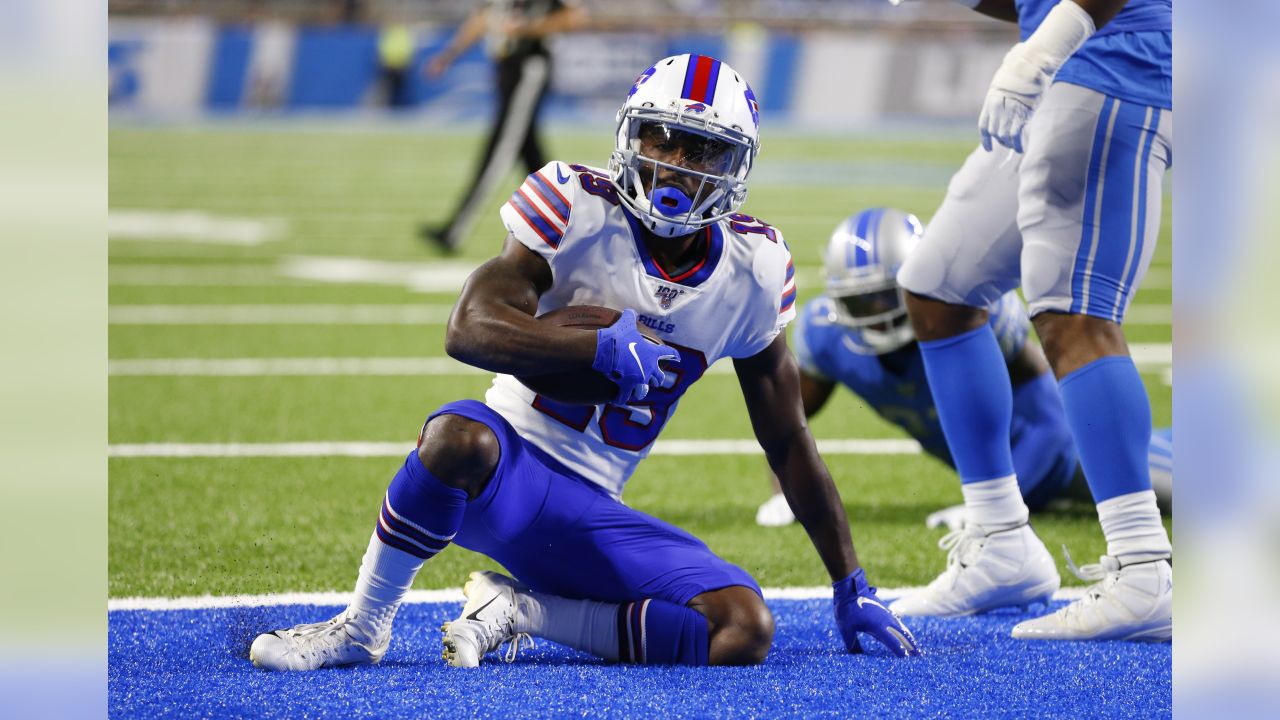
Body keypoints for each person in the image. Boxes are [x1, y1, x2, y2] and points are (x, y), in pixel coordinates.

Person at [250, 54, 918, 672]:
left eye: (700, 149)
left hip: (591, 510)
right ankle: (361, 626)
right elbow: (466, 329)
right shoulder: (575, 205)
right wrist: (591, 347)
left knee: (744, 627)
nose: (673, 163)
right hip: (500, 474)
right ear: (632, 136)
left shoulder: (755, 271)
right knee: (456, 434)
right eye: (658, 137)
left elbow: (788, 438)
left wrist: (849, 580)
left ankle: (517, 611)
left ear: (734, 165)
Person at [888, 0, 1173, 642]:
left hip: (1119, 62)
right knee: (938, 285)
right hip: (1073, 63)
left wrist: (1040, 50)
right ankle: (1001, 544)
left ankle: (1143, 570)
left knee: (1075, 311)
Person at [754, 207, 1174, 530]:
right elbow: (787, 425)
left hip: (1074, 456)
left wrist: (991, 504)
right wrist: (786, 492)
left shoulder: (968, 315)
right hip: (1007, 478)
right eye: (861, 302)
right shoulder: (827, 336)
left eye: (885, 298)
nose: (876, 316)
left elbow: (1055, 425)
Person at [421, 0, 587, 253]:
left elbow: (574, 17)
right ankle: (569, 223)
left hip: (529, 64)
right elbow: (482, 18)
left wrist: (527, 28)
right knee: (529, 153)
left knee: (501, 146)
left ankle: (455, 230)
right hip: (507, 67)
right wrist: (449, 54)